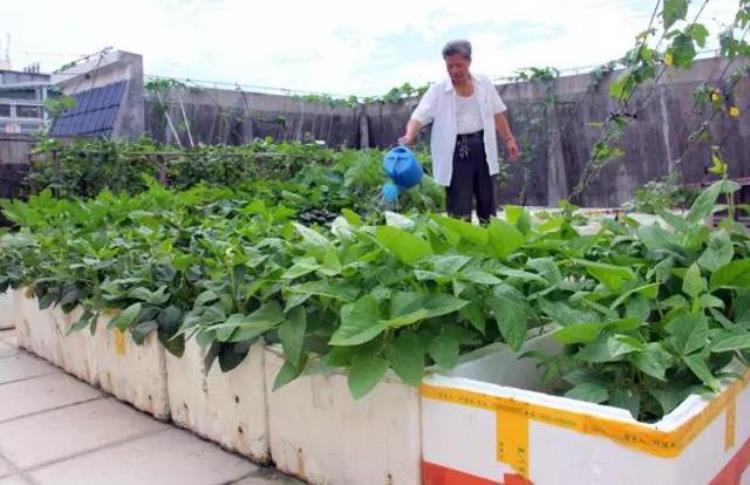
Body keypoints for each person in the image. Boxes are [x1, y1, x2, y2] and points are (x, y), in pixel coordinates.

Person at [399, 39, 519, 223]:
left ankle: (490, 241)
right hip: (455, 151)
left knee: (487, 200)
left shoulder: (484, 84)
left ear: (469, 62)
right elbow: (418, 117)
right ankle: (462, 244)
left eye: (459, 65)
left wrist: (509, 139)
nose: (454, 70)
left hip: (483, 146)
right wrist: (409, 135)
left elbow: (497, 113)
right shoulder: (438, 90)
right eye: (450, 66)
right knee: (459, 203)